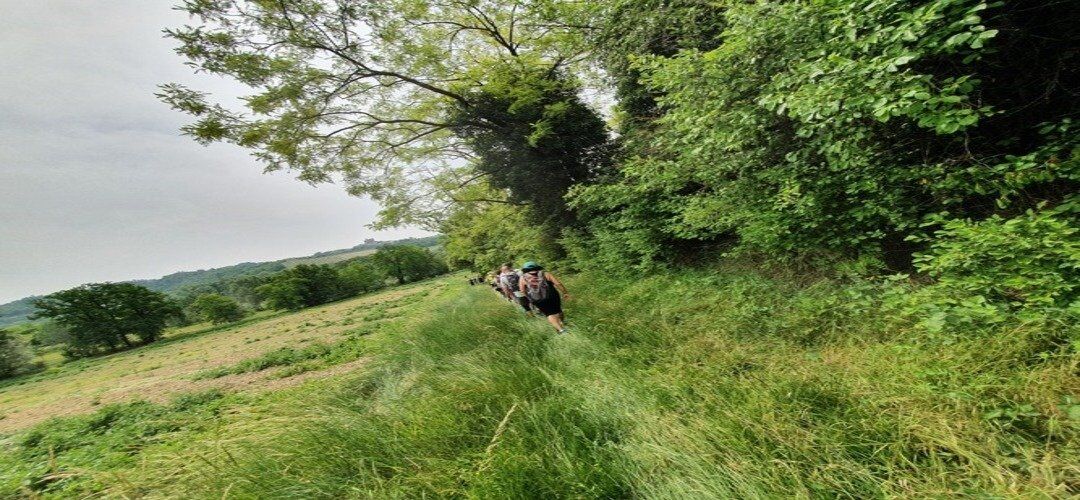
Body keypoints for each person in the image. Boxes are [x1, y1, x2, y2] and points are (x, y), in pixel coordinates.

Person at [519, 261, 570, 333]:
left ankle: (561, 330)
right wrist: (565, 293)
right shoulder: (545, 274)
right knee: (558, 310)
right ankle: (561, 323)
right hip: (552, 296)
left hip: (537, 299)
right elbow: (558, 283)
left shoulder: (523, 278)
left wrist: (530, 298)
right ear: (536, 267)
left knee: (549, 314)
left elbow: (522, 290)